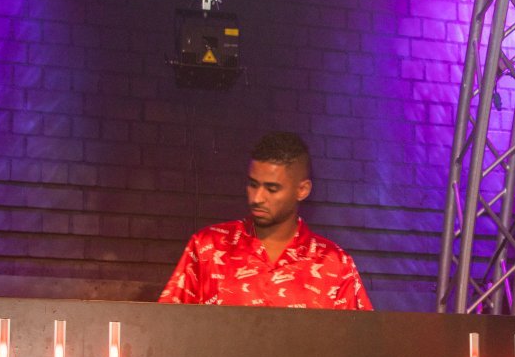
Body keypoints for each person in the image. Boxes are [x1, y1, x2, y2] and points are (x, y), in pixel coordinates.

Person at [159, 132, 372, 310]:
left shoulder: (334, 263)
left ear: (302, 190)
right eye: (253, 185)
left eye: (272, 189)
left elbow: (359, 342)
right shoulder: (208, 247)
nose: (257, 198)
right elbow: (167, 328)